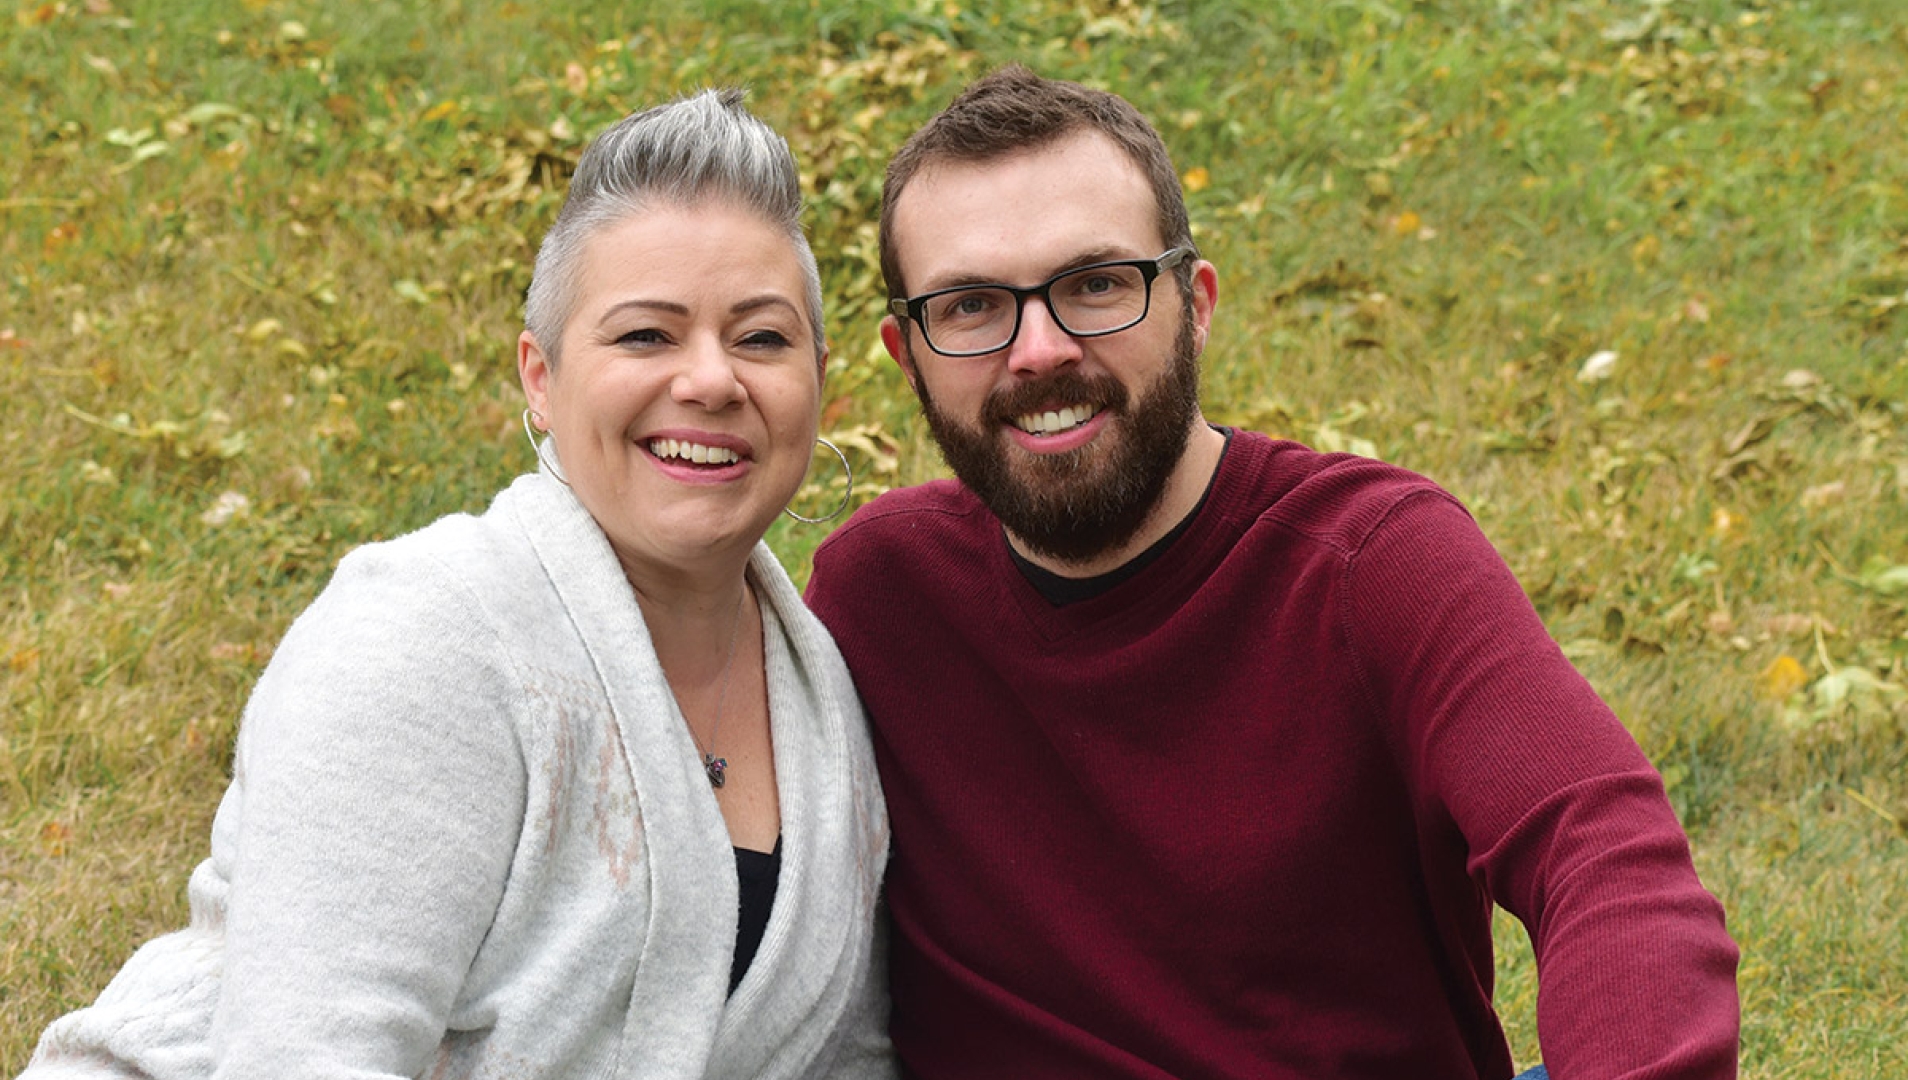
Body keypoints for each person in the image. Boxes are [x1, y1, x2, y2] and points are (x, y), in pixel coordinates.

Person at [805, 65, 1738, 1079]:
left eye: (1096, 286)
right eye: (973, 305)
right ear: (909, 356)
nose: (1040, 349)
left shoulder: (1373, 563)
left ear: (1195, 306)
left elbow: (1605, 858)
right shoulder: (877, 599)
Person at [22, 89, 893, 1079]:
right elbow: (308, 1058)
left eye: (762, 339)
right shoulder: (427, 633)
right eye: (646, 336)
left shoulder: (826, 704)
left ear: (820, 383)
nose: (710, 380)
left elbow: (848, 1055)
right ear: (541, 376)